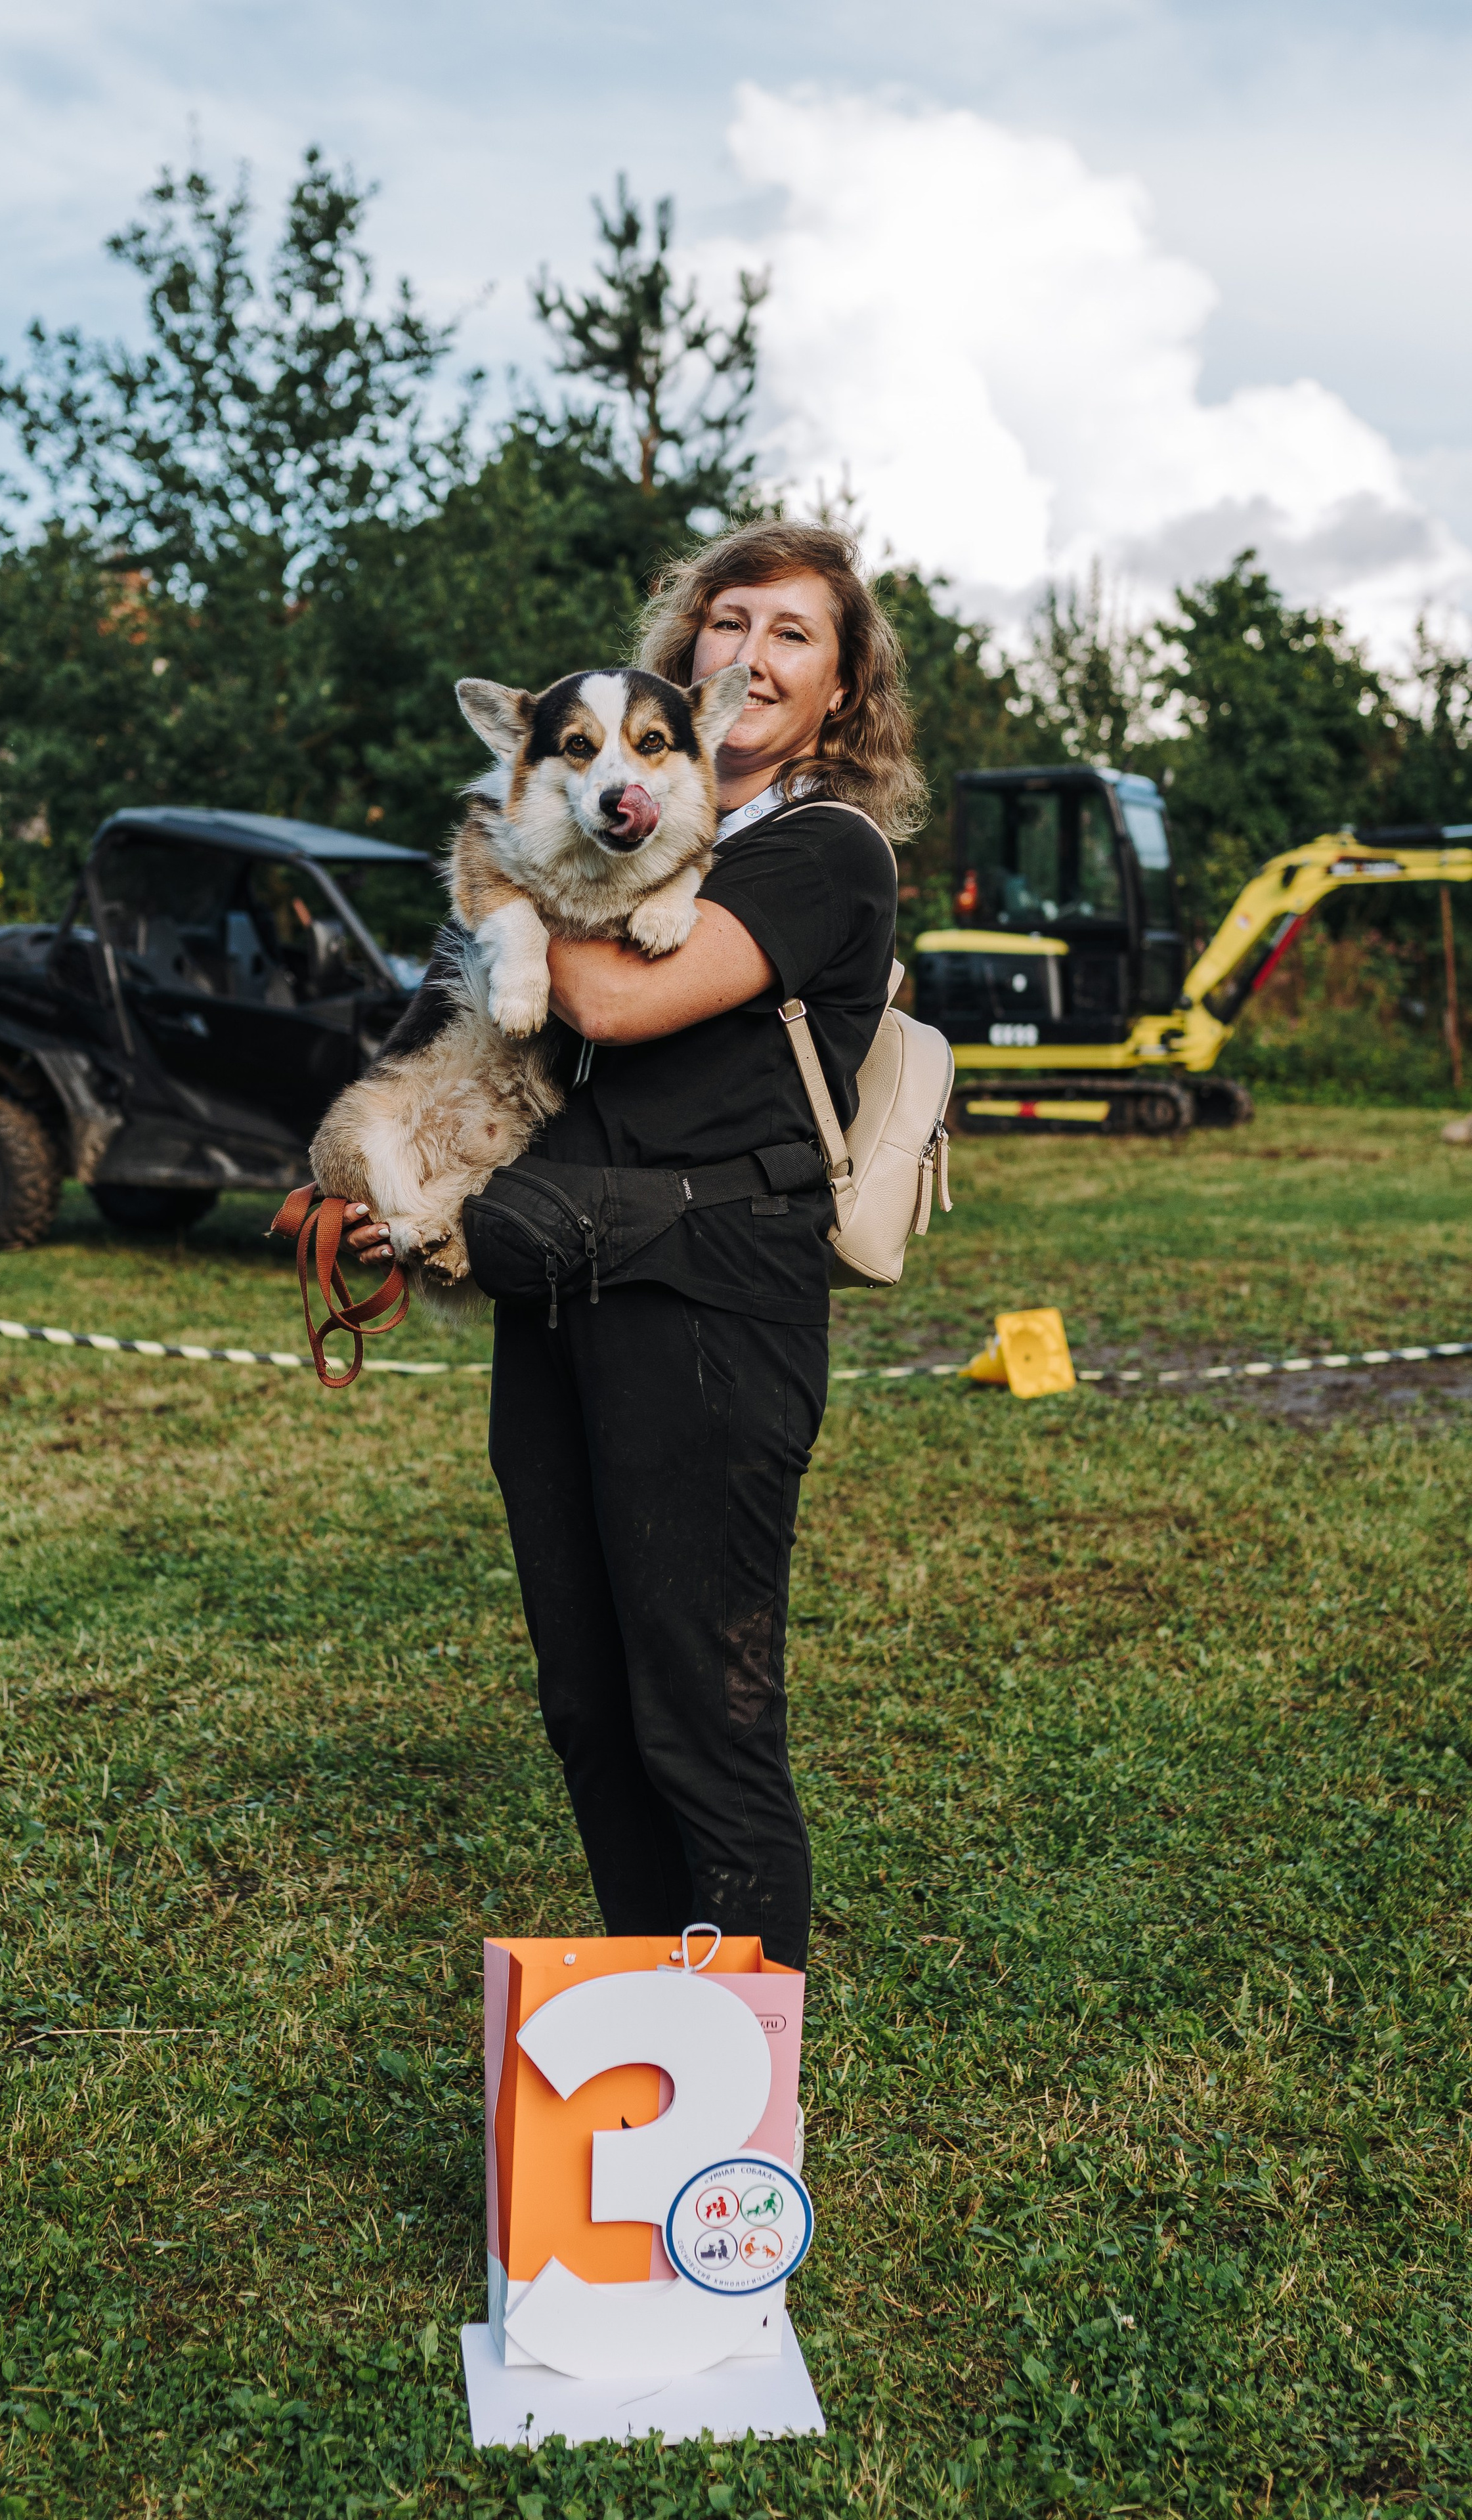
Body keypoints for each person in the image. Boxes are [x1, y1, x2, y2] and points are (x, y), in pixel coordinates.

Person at [342, 521, 924, 1969]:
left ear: (840, 691)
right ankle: (659, 2030)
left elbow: (602, 1005)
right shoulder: (617, 824)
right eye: (728, 620)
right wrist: (378, 1162)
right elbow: (470, 1009)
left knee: (701, 1710)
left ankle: (736, 2111)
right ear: (685, 660)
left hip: (712, 1300)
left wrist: (509, 871)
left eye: (794, 633)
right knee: (588, 1705)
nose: (752, 650)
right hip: (561, 1282)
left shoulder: (817, 851)